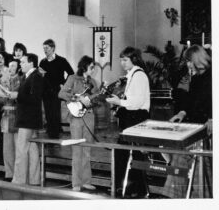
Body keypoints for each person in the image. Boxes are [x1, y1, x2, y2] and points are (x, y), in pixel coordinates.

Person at [162, 45, 212, 198]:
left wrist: (212, 118)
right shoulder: (195, 79)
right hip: (195, 127)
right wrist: (182, 113)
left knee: (201, 165)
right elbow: (191, 103)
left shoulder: (212, 76)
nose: (188, 65)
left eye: (189, 62)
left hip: (207, 129)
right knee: (179, 156)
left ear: (198, 60)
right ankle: (174, 195)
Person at [106, 46, 150, 198]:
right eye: (121, 60)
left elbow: (136, 102)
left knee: (132, 155)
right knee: (125, 154)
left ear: (134, 59)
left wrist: (119, 102)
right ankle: (125, 187)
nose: (122, 63)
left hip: (135, 118)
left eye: (125, 60)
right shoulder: (131, 75)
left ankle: (133, 189)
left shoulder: (139, 75)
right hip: (130, 118)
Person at [58, 55, 98, 191]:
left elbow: (97, 100)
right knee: (77, 149)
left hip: (89, 117)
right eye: (91, 67)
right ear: (84, 67)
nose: (93, 70)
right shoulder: (72, 79)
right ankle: (76, 183)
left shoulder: (93, 82)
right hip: (76, 118)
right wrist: (77, 97)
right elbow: (61, 94)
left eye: (94, 67)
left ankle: (86, 180)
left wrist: (94, 100)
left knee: (87, 149)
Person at [11, 53, 43, 185]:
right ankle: (33, 180)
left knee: (21, 150)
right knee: (32, 150)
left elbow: (35, 98)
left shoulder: (36, 76)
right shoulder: (28, 76)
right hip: (29, 118)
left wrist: (16, 95)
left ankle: (19, 180)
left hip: (28, 119)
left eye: (23, 62)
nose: (20, 64)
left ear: (31, 63)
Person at [39, 39, 74, 138]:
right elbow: (41, 77)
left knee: (55, 113)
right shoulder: (43, 62)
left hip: (56, 91)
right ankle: (50, 136)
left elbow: (71, 73)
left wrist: (64, 84)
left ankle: (55, 136)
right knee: (48, 114)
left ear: (53, 48)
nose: (45, 50)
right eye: (44, 48)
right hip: (46, 92)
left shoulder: (61, 60)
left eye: (47, 48)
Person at [1, 59, 22, 181]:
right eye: (9, 65)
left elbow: (19, 96)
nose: (10, 68)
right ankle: (8, 172)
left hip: (17, 114)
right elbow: (0, 101)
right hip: (6, 115)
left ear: (18, 67)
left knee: (17, 146)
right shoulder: (4, 80)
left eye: (13, 65)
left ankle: (17, 173)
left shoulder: (21, 80)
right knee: (7, 147)